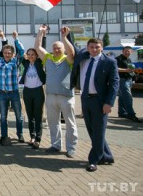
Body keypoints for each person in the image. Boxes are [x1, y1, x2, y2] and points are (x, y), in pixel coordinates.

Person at [69, 35, 120, 172]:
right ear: (87, 48)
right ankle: (107, 156)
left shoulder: (109, 62)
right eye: (91, 47)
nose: (94, 49)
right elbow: (73, 48)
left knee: (99, 130)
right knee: (92, 130)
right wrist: (66, 35)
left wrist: (109, 103)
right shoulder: (84, 57)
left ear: (102, 48)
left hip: (100, 101)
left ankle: (94, 160)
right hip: (85, 99)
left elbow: (114, 84)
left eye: (97, 47)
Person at [35, 25, 78, 158]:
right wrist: (40, 33)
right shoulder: (48, 58)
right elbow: (37, 48)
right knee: (53, 122)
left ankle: (71, 148)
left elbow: (72, 53)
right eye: (54, 48)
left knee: (70, 123)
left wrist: (64, 37)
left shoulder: (67, 59)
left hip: (66, 96)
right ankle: (55, 145)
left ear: (63, 49)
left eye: (59, 48)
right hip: (51, 95)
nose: (56, 50)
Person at [0, 30, 25, 146]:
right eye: (5, 52)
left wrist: (16, 39)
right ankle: (4, 135)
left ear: (12, 54)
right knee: (3, 116)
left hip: (14, 93)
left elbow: (22, 51)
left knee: (18, 116)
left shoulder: (16, 61)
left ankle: (20, 134)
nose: (7, 54)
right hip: (3, 93)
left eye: (9, 53)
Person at [20, 47, 46, 149]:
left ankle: (38, 139)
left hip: (38, 91)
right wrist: (15, 39)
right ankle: (32, 136)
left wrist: (42, 34)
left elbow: (42, 48)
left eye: (33, 54)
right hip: (27, 91)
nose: (31, 56)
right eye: (29, 54)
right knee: (30, 116)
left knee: (38, 116)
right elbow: (19, 50)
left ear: (37, 56)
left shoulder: (40, 63)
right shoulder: (26, 63)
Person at [116, 46, 141, 123]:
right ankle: (131, 115)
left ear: (131, 52)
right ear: (122, 51)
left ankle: (122, 113)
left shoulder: (128, 59)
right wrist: (127, 70)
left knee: (122, 97)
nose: (127, 52)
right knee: (128, 97)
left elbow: (130, 69)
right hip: (122, 80)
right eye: (126, 51)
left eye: (129, 51)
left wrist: (134, 71)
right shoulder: (118, 59)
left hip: (128, 80)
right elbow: (115, 69)